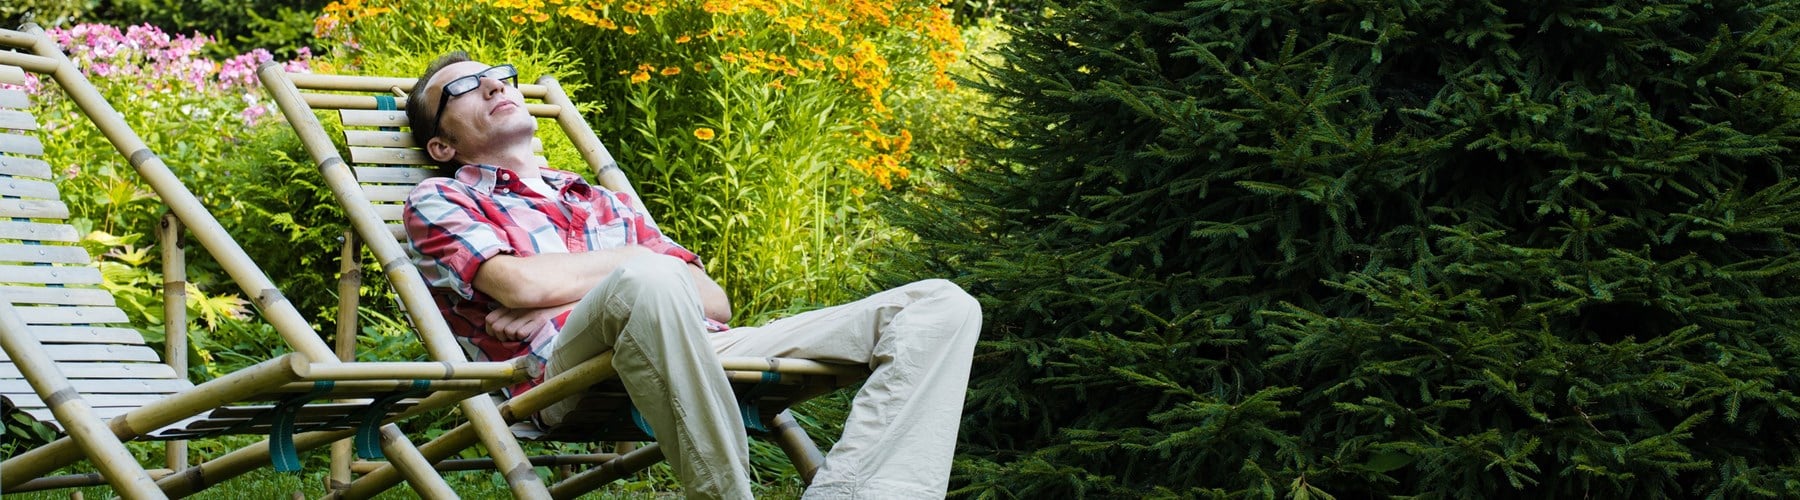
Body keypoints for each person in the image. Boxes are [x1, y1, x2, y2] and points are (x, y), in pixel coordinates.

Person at [399, 51, 983, 499]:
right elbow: (520, 286)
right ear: (443, 144)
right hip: (564, 374)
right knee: (649, 283)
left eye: (500, 75)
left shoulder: (601, 199)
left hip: (709, 342)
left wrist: (571, 283)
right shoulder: (439, 197)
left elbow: (714, 300)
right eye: (464, 88)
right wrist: (626, 273)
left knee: (941, 305)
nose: (497, 84)